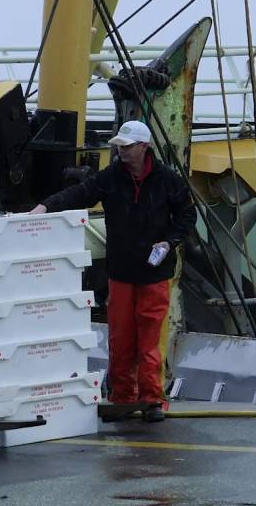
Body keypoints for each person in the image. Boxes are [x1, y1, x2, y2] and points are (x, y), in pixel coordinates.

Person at [31, 120, 196, 423]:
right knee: (120, 339)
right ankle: (122, 398)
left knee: (149, 341)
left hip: (154, 274)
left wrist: (170, 242)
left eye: (128, 146)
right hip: (121, 272)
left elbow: (187, 214)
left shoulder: (167, 180)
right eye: (119, 146)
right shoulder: (112, 178)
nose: (122, 151)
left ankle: (152, 400)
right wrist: (45, 206)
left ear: (144, 147)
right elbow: (80, 194)